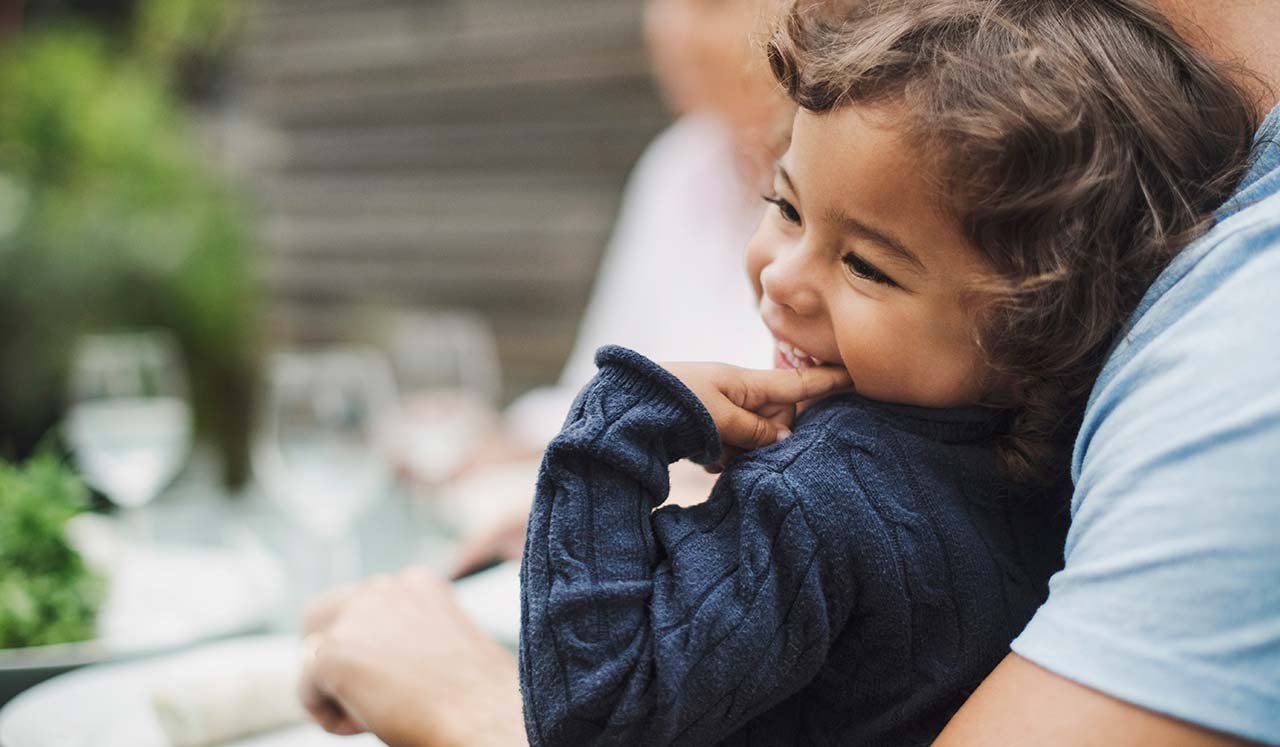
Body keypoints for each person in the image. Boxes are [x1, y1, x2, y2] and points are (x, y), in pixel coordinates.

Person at [298, 1, 1280, 745]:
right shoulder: (1038, 467)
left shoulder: (815, 504)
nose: (781, 274)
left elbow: (587, 715)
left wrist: (612, 431)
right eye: (782, 206)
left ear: (1038, 321)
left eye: (865, 264)